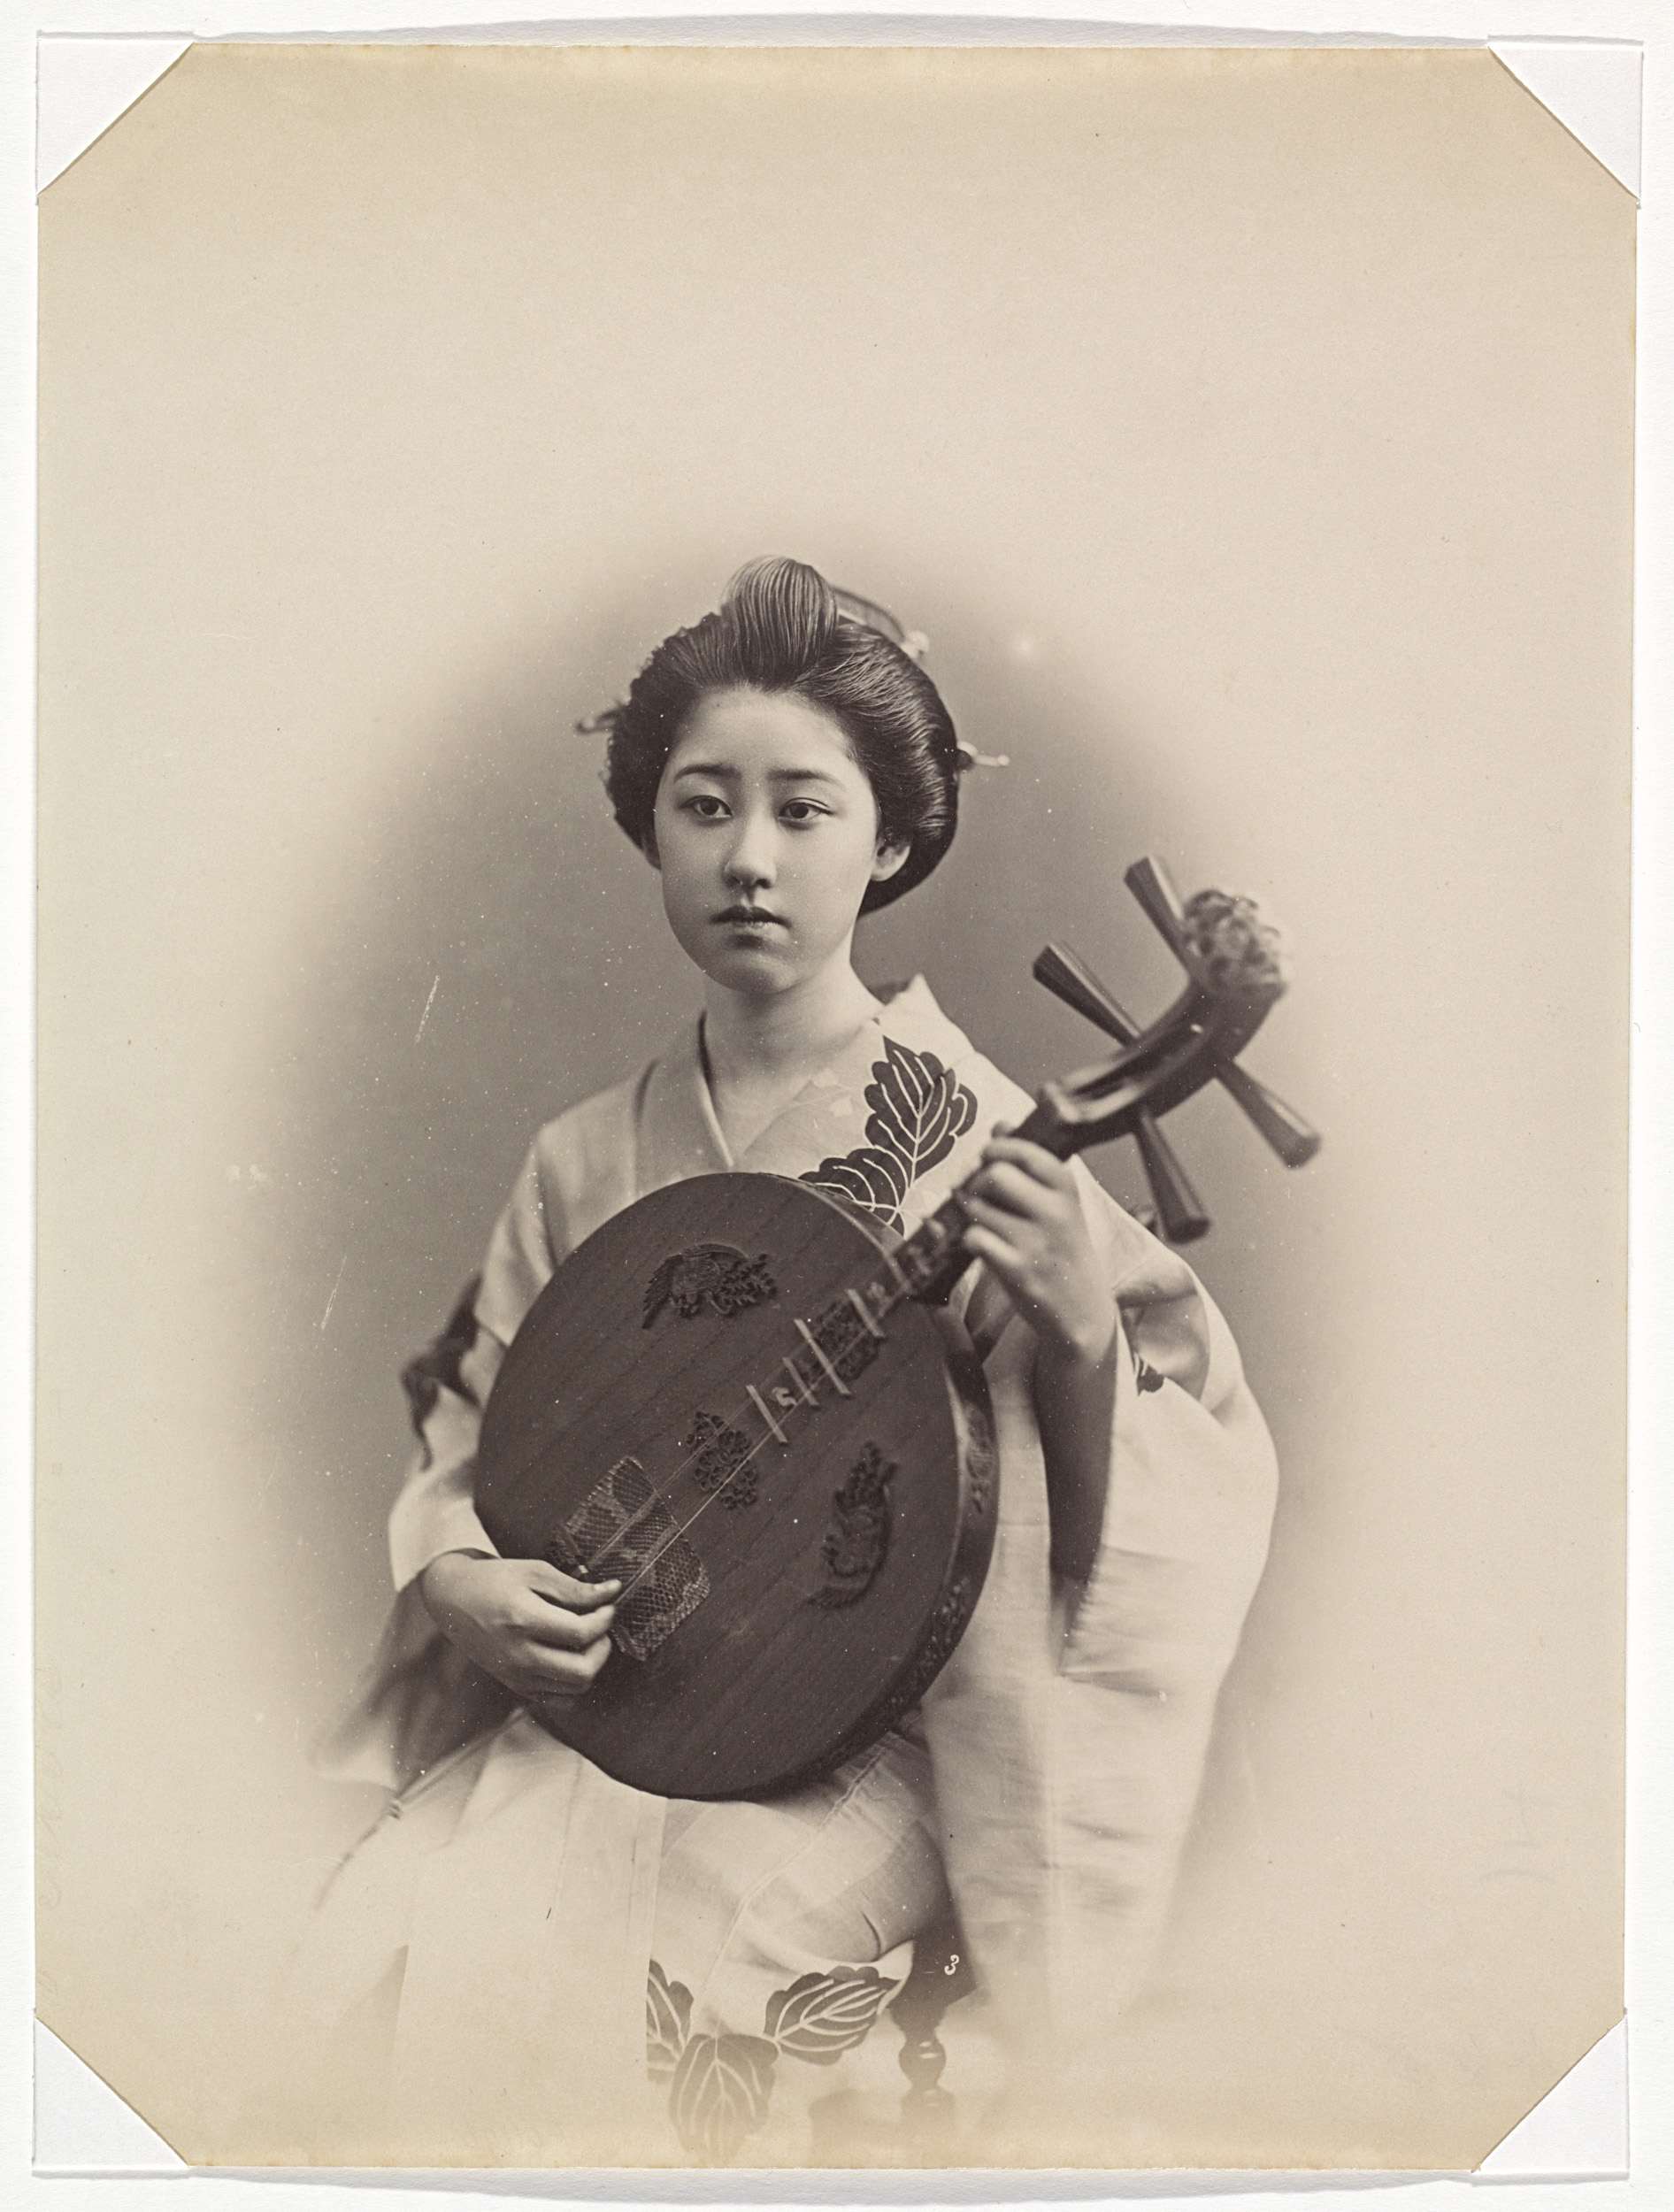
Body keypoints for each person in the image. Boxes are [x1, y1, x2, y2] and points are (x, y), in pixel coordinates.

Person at [277, 557, 1279, 2168]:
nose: (749, 856)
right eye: (705, 806)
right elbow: (471, 1439)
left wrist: (1085, 1333)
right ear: (652, 830)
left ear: (889, 841)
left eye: (804, 810)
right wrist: (460, 1581)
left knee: (686, 1958)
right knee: (389, 1922)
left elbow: (1149, 1501)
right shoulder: (582, 1154)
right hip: (628, 1696)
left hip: (872, 1730)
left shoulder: (971, 1131)